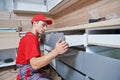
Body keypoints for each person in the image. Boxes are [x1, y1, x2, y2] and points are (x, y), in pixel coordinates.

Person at [16, 14, 68, 80]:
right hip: (27, 73)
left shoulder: (32, 37)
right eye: (43, 25)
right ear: (35, 23)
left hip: (27, 69)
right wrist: (56, 51)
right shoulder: (30, 39)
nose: (45, 28)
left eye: (46, 26)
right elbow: (35, 65)